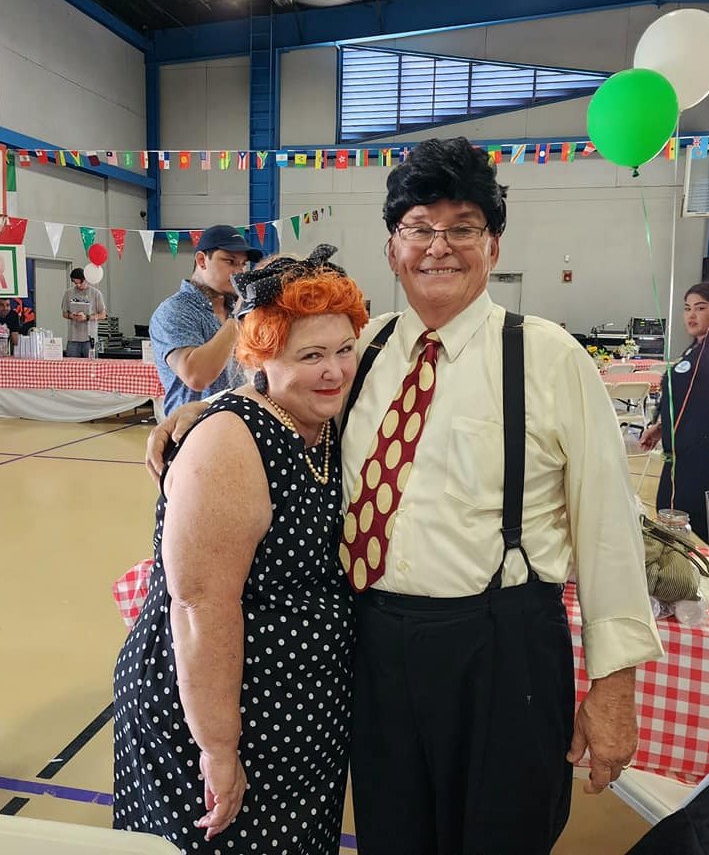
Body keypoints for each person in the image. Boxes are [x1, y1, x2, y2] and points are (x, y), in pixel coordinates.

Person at [149, 138, 663, 855]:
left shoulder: (549, 357)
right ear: (392, 249)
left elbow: (609, 530)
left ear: (493, 246)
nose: (438, 246)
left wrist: (613, 688)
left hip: (503, 648)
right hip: (377, 646)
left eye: (463, 227)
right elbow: (287, 390)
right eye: (418, 227)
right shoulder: (368, 351)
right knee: (393, 836)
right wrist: (202, 413)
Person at [114, 252, 369, 854]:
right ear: (260, 357)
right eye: (309, 355)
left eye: (343, 349)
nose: (333, 370)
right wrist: (218, 748)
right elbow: (200, 607)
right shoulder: (230, 442)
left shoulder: (322, 422)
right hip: (220, 720)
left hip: (296, 719)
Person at [640, 281, 709, 540]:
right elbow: (690, 399)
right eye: (687, 308)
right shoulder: (698, 348)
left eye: (700, 308)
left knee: (689, 514)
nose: (691, 315)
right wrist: (661, 428)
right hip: (683, 451)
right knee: (675, 511)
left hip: (704, 452)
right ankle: (706, 561)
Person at [150, 225, 262, 415]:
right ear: (202, 260)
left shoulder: (235, 309)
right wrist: (236, 319)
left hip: (239, 420)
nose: (239, 272)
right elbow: (196, 376)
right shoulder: (174, 310)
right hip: (194, 426)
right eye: (230, 261)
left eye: (243, 264)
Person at [61, 267, 106, 357]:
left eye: (80, 283)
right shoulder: (68, 293)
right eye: (75, 283)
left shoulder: (96, 293)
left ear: (86, 279)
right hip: (73, 338)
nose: (78, 285)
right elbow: (64, 313)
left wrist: (87, 317)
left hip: (90, 338)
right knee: (72, 364)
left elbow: (103, 315)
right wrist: (72, 316)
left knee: (91, 364)